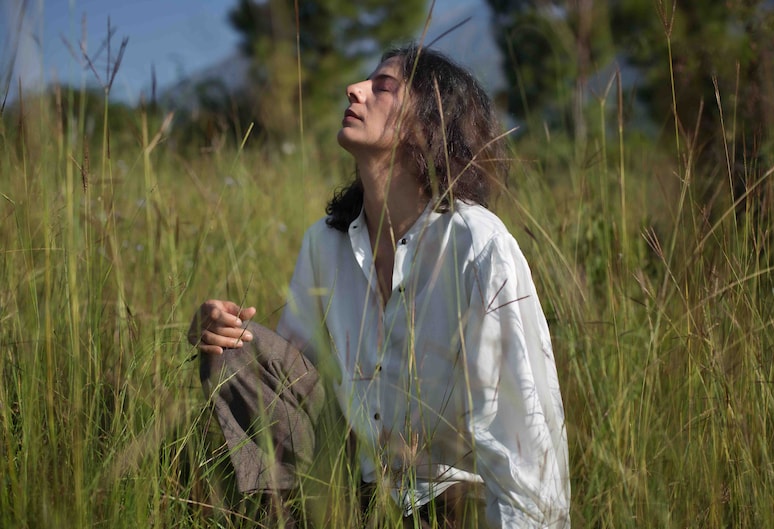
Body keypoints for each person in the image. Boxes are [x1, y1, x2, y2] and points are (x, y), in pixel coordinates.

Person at [189, 43, 570, 528]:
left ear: (428, 123)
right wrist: (219, 332)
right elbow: (292, 377)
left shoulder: (476, 243)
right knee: (236, 351)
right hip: (351, 482)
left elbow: (523, 426)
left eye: (383, 86)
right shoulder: (323, 242)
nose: (355, 89)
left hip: (450, 497)